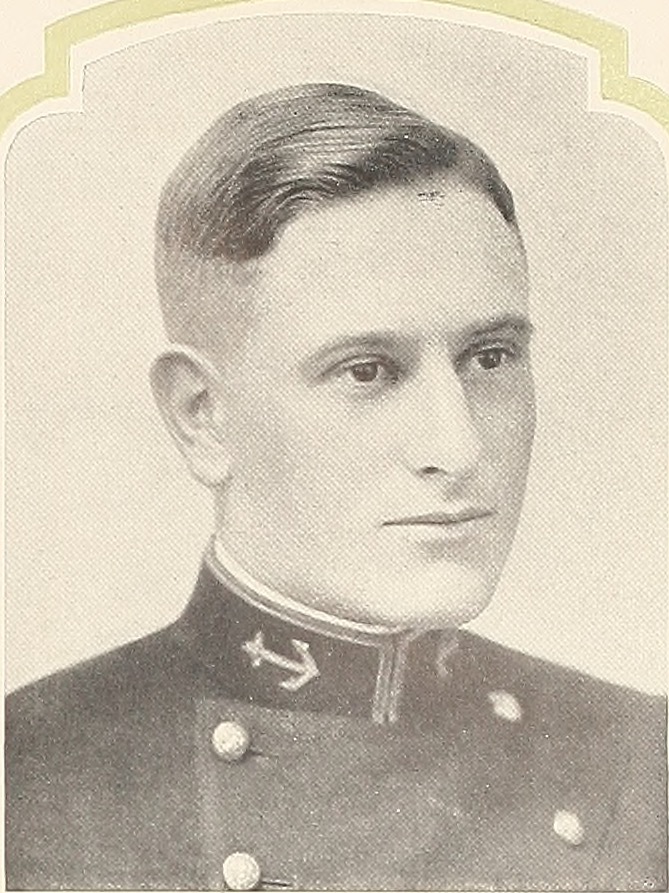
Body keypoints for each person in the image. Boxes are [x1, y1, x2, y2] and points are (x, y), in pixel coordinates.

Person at [5, 82, 666, 891]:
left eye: (489, 356)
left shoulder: (642, 759)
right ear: (201, 415)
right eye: (366, 370)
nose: (457, 446)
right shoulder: (31, 781)